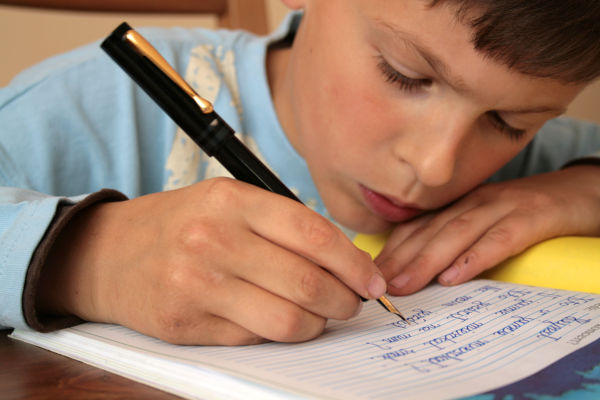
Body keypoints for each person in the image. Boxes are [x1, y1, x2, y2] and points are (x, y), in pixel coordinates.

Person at [1, 0, 599, 345]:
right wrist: (82, 257)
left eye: (511, 121)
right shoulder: (87, 107)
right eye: (404, 74)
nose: (435, 165)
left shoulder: (537, 169)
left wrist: (586, 187)